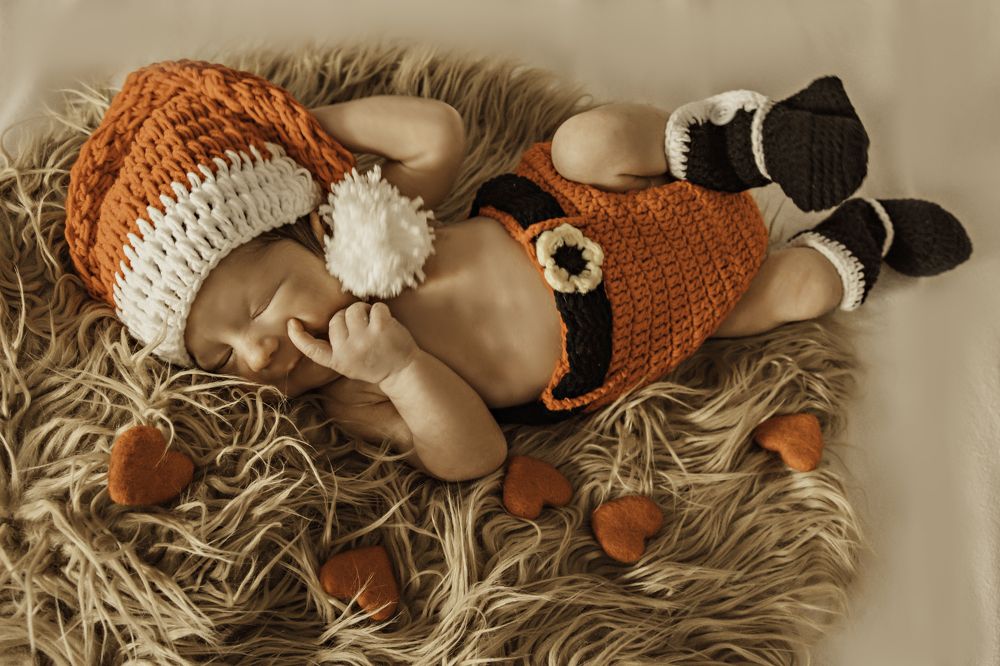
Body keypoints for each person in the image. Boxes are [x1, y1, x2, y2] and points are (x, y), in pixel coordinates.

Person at [65, 61, 972, 484]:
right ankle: (868, 239)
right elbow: (475, 455)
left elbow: (439, 132)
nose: (258, 352)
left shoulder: (375, 231)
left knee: (584, 141)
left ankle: (744, 146)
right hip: (651, 320)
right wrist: (403, 369)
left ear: (303, 233)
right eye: (221, 359)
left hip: (582, 206)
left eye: (257, 304)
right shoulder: (354, 394)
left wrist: (303, 136)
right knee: (785, 295)